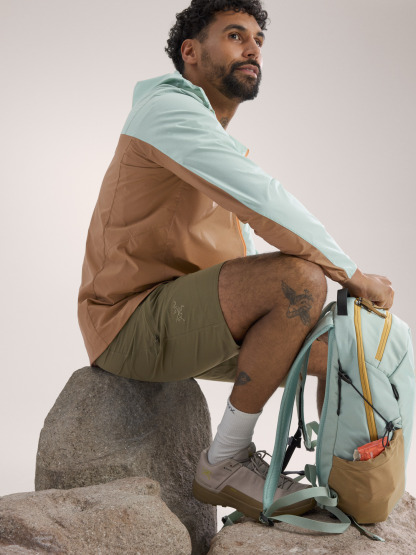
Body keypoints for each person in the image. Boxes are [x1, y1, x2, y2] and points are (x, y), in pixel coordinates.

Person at [78, 0, 394, 520]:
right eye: (234, 35)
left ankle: (347, 484)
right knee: (299, 278)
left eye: (258, 40)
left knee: (349, 348)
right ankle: (225, 460)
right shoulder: (166, 111)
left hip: (184, 322)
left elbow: (242, 264)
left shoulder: (214, 140)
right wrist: (352, 275)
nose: (252, 49)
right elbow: (267, 202)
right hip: (128, 320)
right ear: (191, 52)